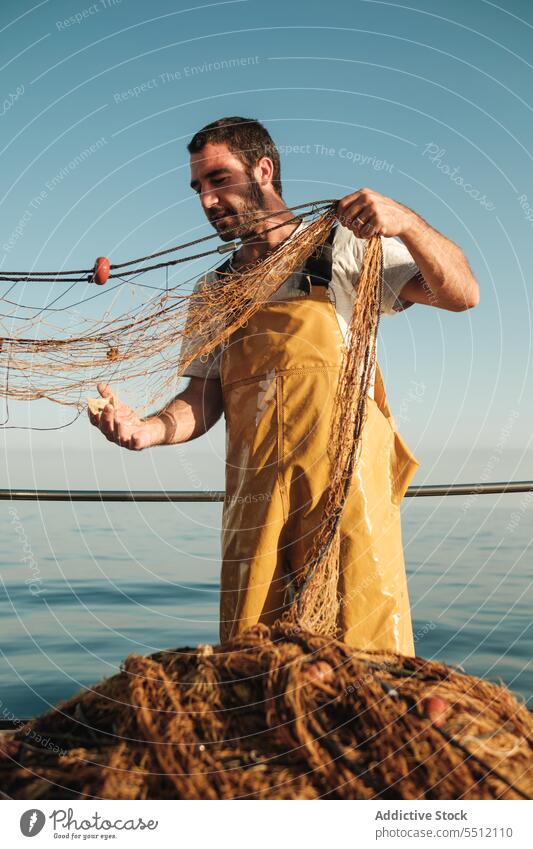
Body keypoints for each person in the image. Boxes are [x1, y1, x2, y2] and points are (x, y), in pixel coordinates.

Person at [88, 117, 479, 655]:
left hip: (345, 492)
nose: (207, 199)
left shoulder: (343, 247)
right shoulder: (216, 289)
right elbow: (202, 400)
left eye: (218, 179)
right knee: (252, 662)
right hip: (256, 499)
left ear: (263, 170)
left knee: (364, 651)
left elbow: (462, 293)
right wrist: (147, 431)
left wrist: (407, 223)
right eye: (198, 187)